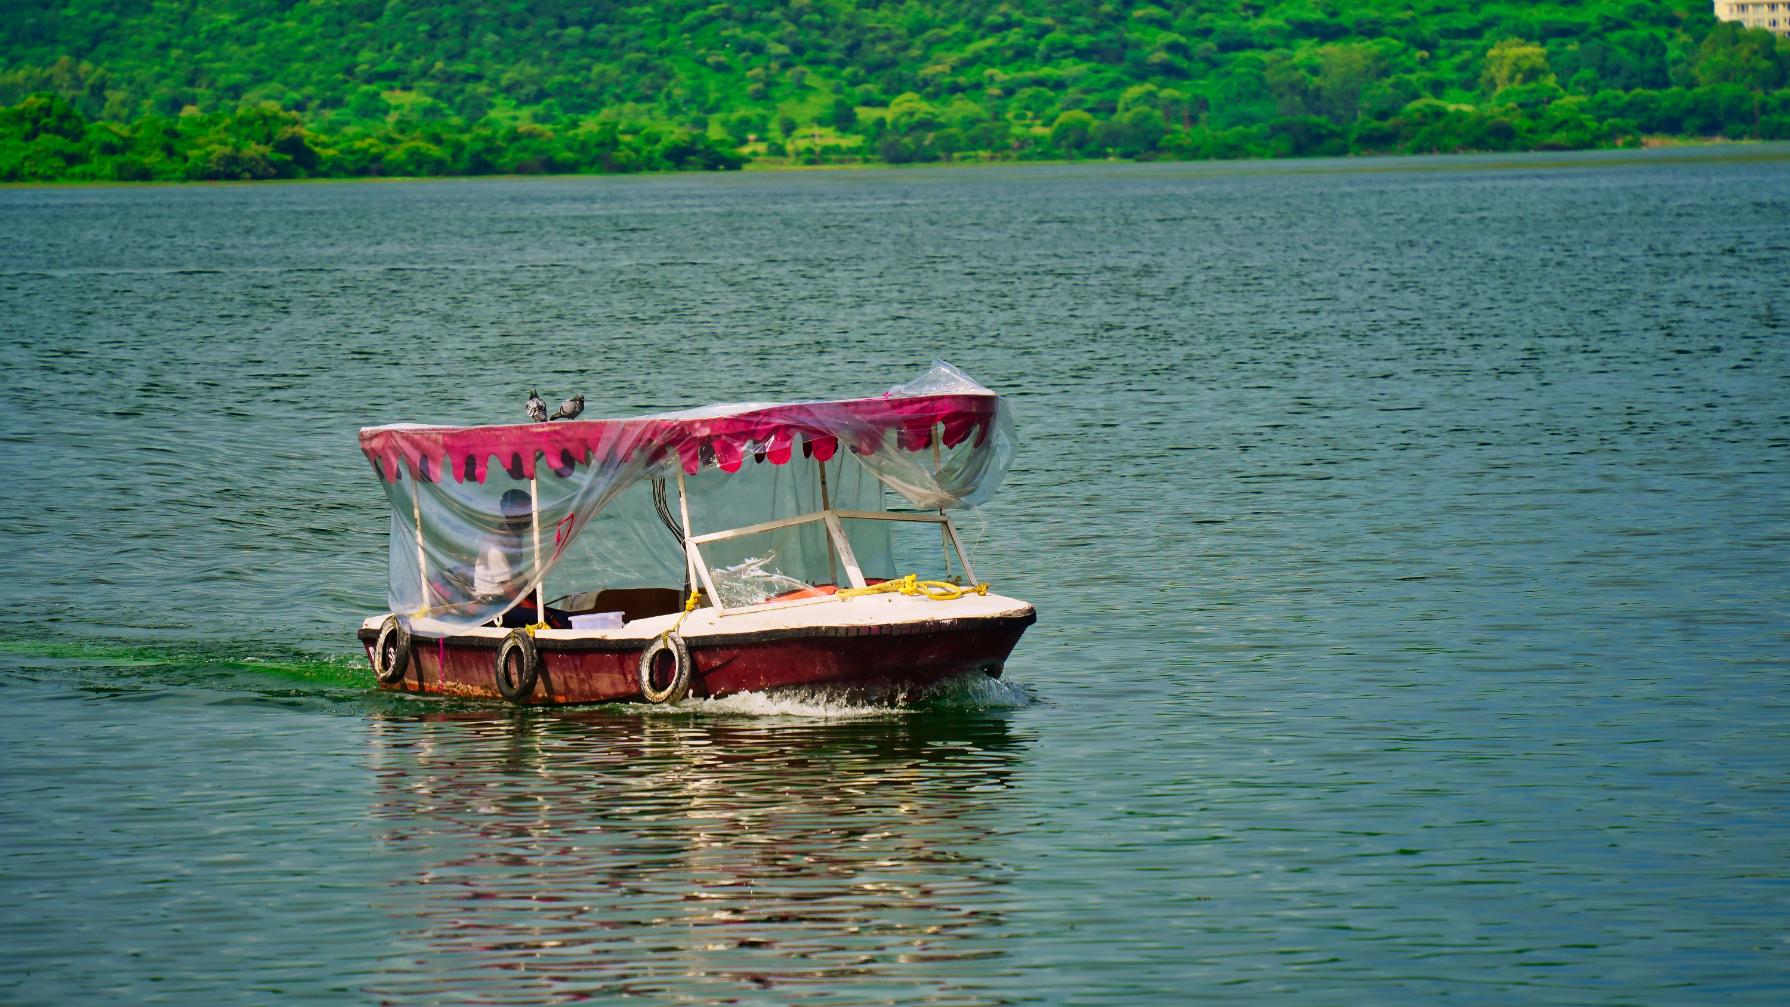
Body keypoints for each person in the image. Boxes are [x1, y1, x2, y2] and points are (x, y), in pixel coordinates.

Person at [474, 489, 570, 628]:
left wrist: (534, 597)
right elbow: (510, 592)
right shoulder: (495, 546)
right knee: (552, 619)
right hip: (494, 608)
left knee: (564, 617)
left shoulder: (513, 538)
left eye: (529, 511)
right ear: (509, 513)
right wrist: (543, 613)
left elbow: (517, 578)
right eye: (523, 511)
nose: (530, 516)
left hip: (509, 602)